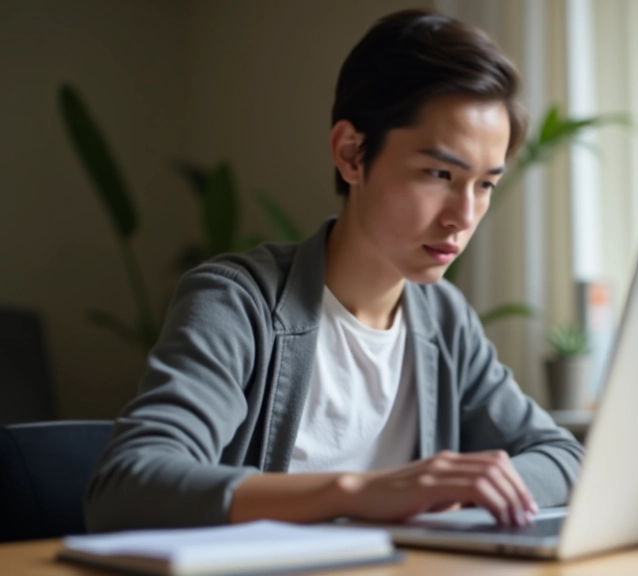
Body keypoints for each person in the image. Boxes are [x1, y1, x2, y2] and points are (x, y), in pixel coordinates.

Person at [85, 9, 583, 533]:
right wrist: (360, 492)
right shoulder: (236, 303)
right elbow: (127, 484)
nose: (463, 215)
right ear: (351, 154)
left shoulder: (443, 320)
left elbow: (560, 456)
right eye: (439, 173)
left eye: (485, 184)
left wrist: (470, 490)